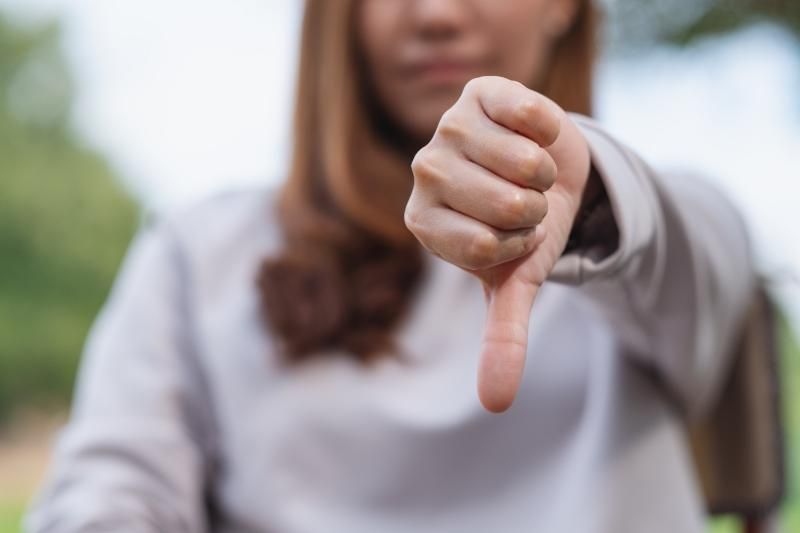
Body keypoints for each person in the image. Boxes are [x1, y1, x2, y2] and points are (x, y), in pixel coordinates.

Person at [26, 1, 756, 532]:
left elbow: (681, 254)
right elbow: (109, 489)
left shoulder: (654, 233)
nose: (434, 13)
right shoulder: (199, 253)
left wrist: (590, 189)